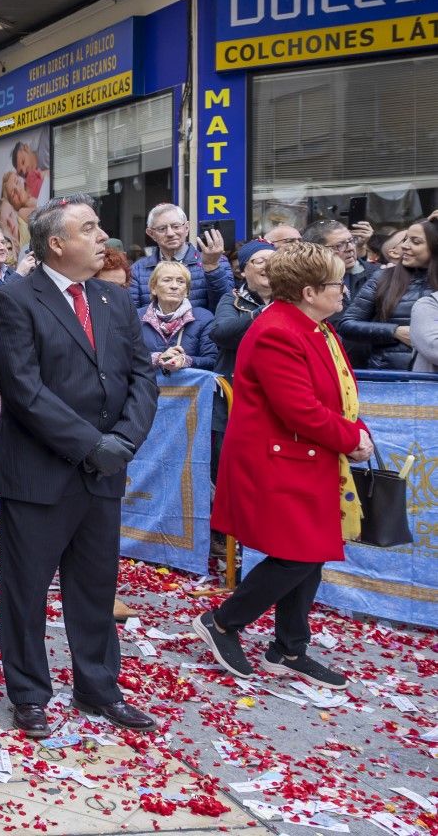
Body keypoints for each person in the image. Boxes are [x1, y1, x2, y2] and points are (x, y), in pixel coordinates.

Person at [0, 193, 160, 738]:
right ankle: (30, 692)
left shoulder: (114, 299)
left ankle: (98, 686)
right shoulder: (17, 299)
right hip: (41, 472)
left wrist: (124, 441)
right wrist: (90, 443)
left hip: (105, 469)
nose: (102, 235)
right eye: (89, 228)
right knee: (27, 589)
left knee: (95, 585)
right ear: (57, 244)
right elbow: (24, 389)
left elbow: (142, 377)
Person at [195, 243, 372, 689]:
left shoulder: (314, 326)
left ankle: (290, 647)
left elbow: (338, 394)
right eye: (336, 285)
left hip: (306, 458)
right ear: (310, 291)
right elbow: (299, 409)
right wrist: (352, 439)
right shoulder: (278, 329)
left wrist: (356, 431)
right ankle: (221, 622)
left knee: (311, 554)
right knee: (298, 555)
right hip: (278, 460)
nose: (344, 293)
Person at [338, 219, 434, 370]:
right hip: (388, 377)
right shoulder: (383, 277)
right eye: (405, 239)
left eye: (415, 241)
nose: (405, 246)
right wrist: (394, 331)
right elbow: (347, 324)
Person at [128, 204, 232, 312]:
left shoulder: (217, 261)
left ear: (186, 228)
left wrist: (212, 268)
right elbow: (133, 316)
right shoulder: (137, 270)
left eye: (176, 226)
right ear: (151, 234)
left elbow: (225, 309)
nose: (170, 233)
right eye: (162, 229)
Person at [138, 261, 218, 373]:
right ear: (153, 288)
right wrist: (159, 358)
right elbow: (126, 357)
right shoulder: (136, 317)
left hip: (189, 389)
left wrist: (185, 360)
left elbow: (213, 360)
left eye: (180, 281)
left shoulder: (204, 318)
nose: (174, 286)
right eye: (167, 280)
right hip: (146, 388)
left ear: (186, 291)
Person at [211, 241, 273, 376]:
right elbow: (221, 334)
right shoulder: (232, 298)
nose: (268, 266)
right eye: (260, 261)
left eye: (274, 260)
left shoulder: (291, 299)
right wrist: (260, 313)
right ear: (243, 271)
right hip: (238, 379)